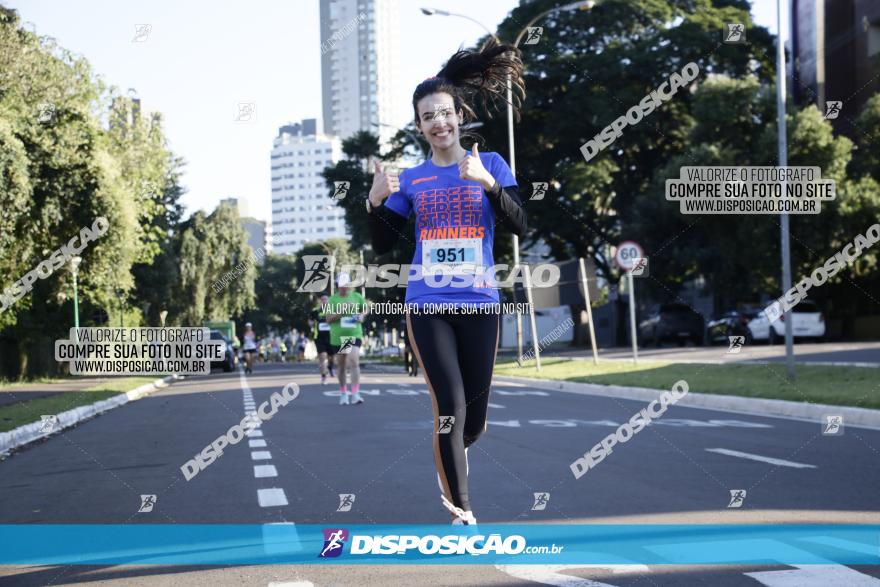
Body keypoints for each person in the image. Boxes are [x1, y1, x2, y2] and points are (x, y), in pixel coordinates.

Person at [366, 40, 527, 526]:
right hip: (427, 303)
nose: (438, 123)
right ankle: (463, 510)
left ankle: (449, 456)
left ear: (458, 115)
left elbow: (522, 224)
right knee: (450, 407)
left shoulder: (490, 164)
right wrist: (375, 203)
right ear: (419, 128)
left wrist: (489, 185)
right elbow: (382, 246)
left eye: (444, 113)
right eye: (427, 117)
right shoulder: (410, 180)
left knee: (473, 420)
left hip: (480, 301)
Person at [326, 272, 369, 406]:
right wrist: (342, 310)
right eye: (341, 286)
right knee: (342, 365)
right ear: (337, 286)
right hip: (338, 337)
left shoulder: (356, 296)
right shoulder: (332, 300)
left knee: (353, 360)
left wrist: (362, 315)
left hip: (353, 334)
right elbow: (328, 319)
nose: (343, 288)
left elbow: (365, 308)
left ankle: (355, 393)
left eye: (346, 285)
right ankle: (344, 393)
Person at [310, 294, 336, 384]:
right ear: (320, 301)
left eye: (326, 299)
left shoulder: (333, 310)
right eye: (322, 299)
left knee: (332, 357)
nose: (324, 301)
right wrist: (311, 324)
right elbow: (310, 321)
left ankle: (330, 367)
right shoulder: (315, 311)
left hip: (331, 337)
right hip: (319, 337)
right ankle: (323, 376)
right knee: (322, 357)